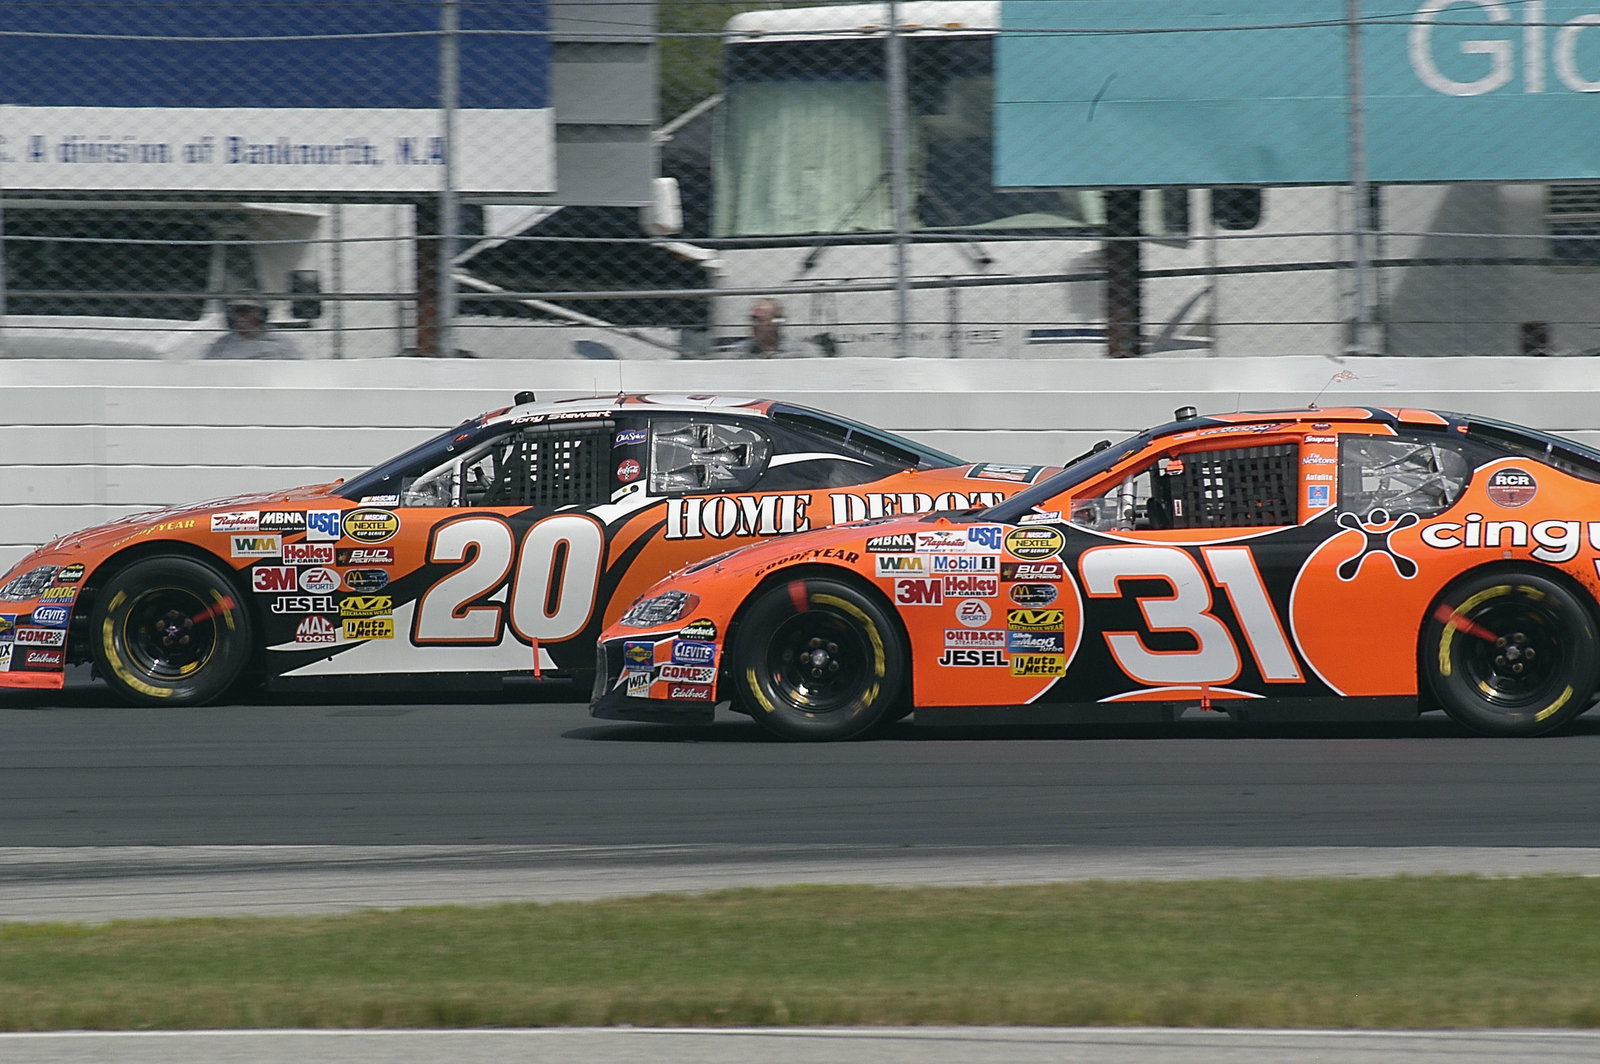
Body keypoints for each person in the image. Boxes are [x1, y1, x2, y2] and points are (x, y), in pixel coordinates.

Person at [205, 299, 303, 360]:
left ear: (261, 315)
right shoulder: (222, 344)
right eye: (238, 311)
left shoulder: (281, 342)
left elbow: (297, 369)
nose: (242, 316)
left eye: (247, 311)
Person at [740, 297, 805, 358]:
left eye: (759, 320)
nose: (754, 324)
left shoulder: (798, 352)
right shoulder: (741, 351)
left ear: (775, 323)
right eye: (753, 319)